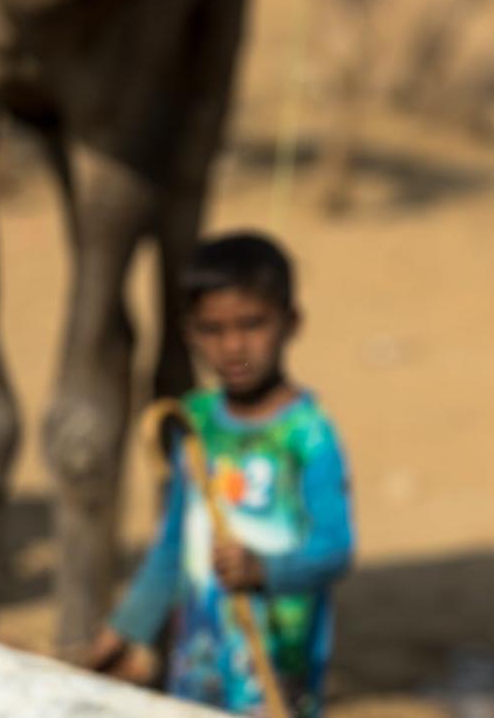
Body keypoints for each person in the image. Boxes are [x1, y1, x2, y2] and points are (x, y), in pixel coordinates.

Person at [86, 232, 354, 717]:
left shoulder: (308, 435)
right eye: (213, 329)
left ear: (291, 323)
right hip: (199, 664)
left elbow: (334, 549)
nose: (234, 346)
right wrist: (126, 631)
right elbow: (171, 548)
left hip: (276, 673)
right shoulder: (194, 424)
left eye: (252, 324)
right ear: (190, 332)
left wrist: (264, 571)